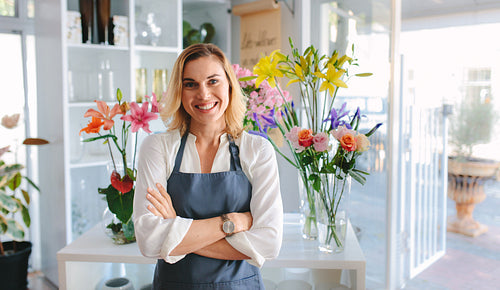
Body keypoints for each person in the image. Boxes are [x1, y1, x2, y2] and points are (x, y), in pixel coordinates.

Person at [133, 43, 283, 289]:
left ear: (230, 85)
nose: (203, 94)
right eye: (190, 84)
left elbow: (269, 243)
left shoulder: (257, 150)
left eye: (213, 81)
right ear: (179, 91)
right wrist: (233, 223)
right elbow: (149, 242)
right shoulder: (157, 147)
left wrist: (175, 226)